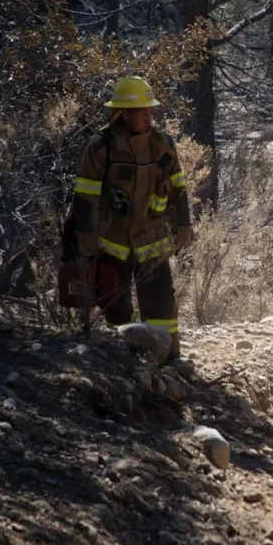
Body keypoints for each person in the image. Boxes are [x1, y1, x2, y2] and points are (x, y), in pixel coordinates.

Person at [72, 75, 191, 360]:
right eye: (142, 112)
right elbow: (85, 194)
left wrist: (183, 225)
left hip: (153, 238)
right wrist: (86, 237)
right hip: (112, 242)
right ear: (122, 114)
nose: (148, 118)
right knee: (115, 305)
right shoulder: (101, 147)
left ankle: (169, 358)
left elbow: (178, 187)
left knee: (161, 304)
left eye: (151, 111)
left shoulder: (163, 143)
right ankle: (123, 359)